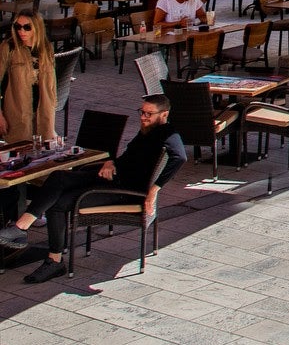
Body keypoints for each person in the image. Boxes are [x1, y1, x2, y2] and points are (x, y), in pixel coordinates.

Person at [0, 94, 186, 284]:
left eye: (149, 114)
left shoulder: (167, 133)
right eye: (142, 112)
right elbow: (131, 157)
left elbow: (180, 157)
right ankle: (23, 230)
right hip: (112, 178)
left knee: (58, 203)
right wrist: (111, 162)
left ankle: (50, 257)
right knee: (58, 177)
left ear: (164, 114)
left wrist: (154, 191)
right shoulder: (147, 130)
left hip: (123, 192)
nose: (143, 117)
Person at [0, 11, 56, 145]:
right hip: (17, 113)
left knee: (42, 154)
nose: (21, 31)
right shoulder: (8, 48)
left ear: (37, 27)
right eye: (17, 27)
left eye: (27, 27)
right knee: (20, 151)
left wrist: (52, 124)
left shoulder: (46, 48)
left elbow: (52, 86)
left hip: (43, 113)